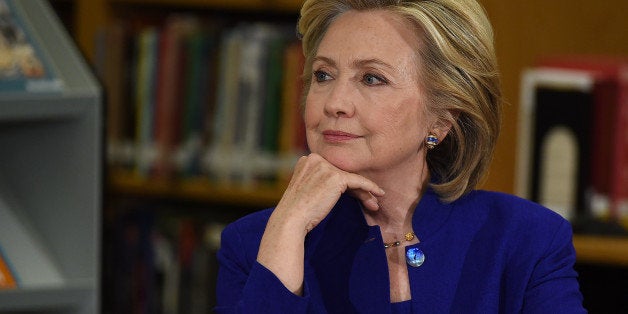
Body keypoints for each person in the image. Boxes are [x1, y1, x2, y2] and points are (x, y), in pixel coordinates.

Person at [215, 0, 587, 313]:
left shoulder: (527, 240)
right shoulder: (256, 244)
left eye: (372, 79)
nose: (335, 103)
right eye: (324, 75)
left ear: (441, 119)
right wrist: (289, 225)